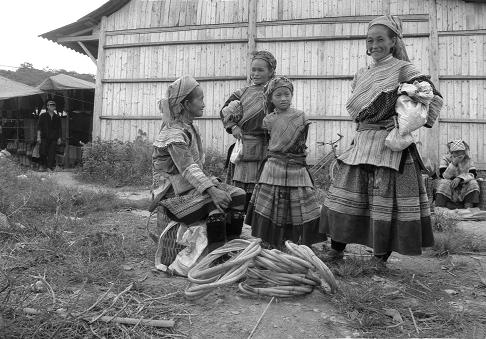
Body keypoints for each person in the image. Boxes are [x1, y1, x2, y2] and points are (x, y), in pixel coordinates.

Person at [319, 15, 444, 264]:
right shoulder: (361, 74)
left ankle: (379, 257)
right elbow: (357, 109)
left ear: (392, 41)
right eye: (370, 40)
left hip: (389, 144)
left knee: (384, 201)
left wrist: (402, 108)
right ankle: (336, 249)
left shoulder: (404, 69)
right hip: (363, 141)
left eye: (380, 39)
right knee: (347, 194)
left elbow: (433, 97)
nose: (374, 45)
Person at [152, 76, 246, 251]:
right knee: (215, 202)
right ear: (187, 104)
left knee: (239, 194)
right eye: (200, 99)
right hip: (174, 196)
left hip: (191, 188)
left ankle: (231, 247)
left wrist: (212, 186)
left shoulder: (190, 128)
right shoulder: (173, 134)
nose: (204, 104)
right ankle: (216, 255)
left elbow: (195, 169)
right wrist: (212, 190)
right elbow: (188, 168)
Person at [245, 76, 322, 248]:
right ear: (270, 98)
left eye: (287, 94)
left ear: (292, 95)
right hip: (274, 167)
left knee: (300, 202)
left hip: (297, 167)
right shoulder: (268, 120)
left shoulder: (300, 116)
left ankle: (299, 242)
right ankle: (270, 240)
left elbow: (301, 142)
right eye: (278, 95)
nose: (283, 98)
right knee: (271, 203)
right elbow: (268, 142)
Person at [220, 50, 277, 211]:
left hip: (268, 149)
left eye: (261, 70)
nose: (255, 74)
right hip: (244, 149)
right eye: (253, 69)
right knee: (241, 194)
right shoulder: (241, 93)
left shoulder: (275, 94)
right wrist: (234, 126)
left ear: (271, 71)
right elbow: (224, 111)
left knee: (264, 192)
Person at [435, 139, 480, 209]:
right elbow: (444, 176)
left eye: (461, 152)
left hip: (464, 183)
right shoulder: (445, 159)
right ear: (452, 153)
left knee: (473, 182)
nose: (459, 155)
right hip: (450, 184)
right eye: (456, 153)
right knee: (443, 182)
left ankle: (468, 206)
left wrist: (460, 178)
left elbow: (473, 174)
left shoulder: (468, 160)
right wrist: (454, 163)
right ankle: (441, 207)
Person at [37, 100, 61, 171]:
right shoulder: (43, 116)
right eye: (50, 105)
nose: (52, 106)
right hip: (44, 137)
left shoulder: (57, 117)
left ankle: (49, 167)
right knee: (42, 151)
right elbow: (39, 127)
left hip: (54, 138)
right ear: (47, 106)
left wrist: (59, 138)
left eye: (53, 105)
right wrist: (38, 137)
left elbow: (59, 128)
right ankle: (41, 165)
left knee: (52, 153)